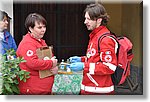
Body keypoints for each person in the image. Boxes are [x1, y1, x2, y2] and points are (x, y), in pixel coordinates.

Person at [69, 3, 118, 95]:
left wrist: (84, 66)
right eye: (85, 18)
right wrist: (82, 59)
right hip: (91, 89)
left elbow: (110, 67)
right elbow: (95, 58)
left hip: (99, 91)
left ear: (99, 20)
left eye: (88, 19)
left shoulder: (105, 39)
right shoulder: (95, 36)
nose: (85, 22)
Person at [16, 13, 58, 95]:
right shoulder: (27, 43)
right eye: (39, 27)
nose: (43, 30)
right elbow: (33, 63)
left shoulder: (41, 41)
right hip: (33, 89)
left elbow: (50, 57)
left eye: (44, 27)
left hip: (43, 89)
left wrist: (54, 68)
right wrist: (51, 63)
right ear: (30, 29)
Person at [0, 10, 17, 94]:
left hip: (8, 72)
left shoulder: (8, 36)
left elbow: (14, 52)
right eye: (4, 20)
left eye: (7, 20)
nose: (6, 22)